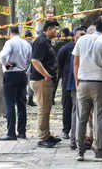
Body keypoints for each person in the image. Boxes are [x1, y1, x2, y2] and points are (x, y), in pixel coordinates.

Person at [72, 15, 102, 161]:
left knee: (82, 118)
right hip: (100, 83)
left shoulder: (82, 39)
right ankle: (99, 151)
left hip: (83, 83)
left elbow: (76, 63)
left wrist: (77, 81)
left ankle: (80, 152)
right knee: (100, 119)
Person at [30, 20, 61, 148]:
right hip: (41, 80)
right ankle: (43, 138)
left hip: (46, 80)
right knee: (43, 109)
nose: (56, 31)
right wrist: (46, 74)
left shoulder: (47, 42)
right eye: (54, 29)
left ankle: (47, 135)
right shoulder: (41, 41)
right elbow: (35, 60)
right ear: (48, 29)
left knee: (47, 108)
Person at [0, 26, 31, 141]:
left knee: (10, 104)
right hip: (22, 74)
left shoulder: (10, 42)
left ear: (9, 32)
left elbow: (2, 56)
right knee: (22, 104)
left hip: (11, 74)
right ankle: (22, 132)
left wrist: (6, 64)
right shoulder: (26, 44)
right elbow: (29, 60)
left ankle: (11, 132)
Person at [58, 27, 86, 140]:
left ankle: (79, 135)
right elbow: (59, 65)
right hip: (68, 81)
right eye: (80, 36)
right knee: (67, 106)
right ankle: (66, 130)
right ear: (74, 36)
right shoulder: (66, 49)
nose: (82, 38)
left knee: (79, 109)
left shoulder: (87, 48)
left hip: (82, 82)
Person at [52, 28, 72, 105]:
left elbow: (53, 52)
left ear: (63, 33)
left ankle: (52, 98)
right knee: (65, 82)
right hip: (67, 65)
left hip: (58, 64)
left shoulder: (58, 43)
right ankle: (64, 98)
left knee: (55, 82)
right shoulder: (70, 42)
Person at [25, 30, 37, 107]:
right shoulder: (33, 43)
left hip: (21, 65)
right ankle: (30, 99)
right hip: (30, 64)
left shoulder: (22, 43)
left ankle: (22, 98)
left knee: (22, 83)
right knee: (30, 83)